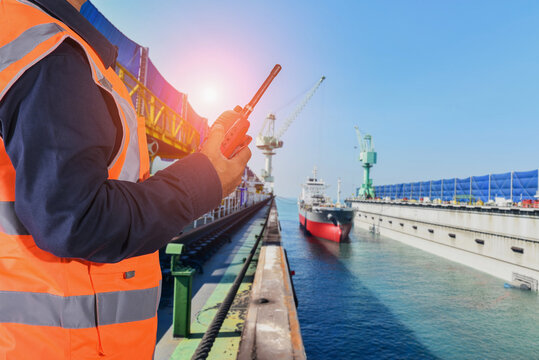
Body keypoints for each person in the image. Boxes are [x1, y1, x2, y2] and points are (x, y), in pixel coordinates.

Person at [0, 0, 251, 358]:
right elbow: (75, 218)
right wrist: (205, 181)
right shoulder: (51, 55)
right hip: (66, 345)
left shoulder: (20, 39)